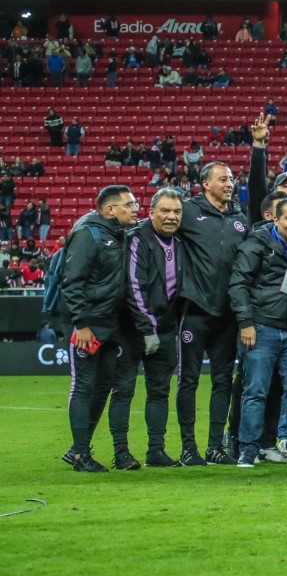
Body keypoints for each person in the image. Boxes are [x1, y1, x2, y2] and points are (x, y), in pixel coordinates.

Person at [177, 121, 267, 467]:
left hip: (228, 314)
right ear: (206, 184)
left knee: (221, 382)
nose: (230, 184)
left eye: (232, 179)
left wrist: (258, 149)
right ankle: (188, 446)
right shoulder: (186, 212)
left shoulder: (239, 219)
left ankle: (215, 446)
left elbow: (260, 194)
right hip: (195, 310)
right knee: (187, 380)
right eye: (224, 179)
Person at [229, 197, 287, 467]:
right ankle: (248, 449)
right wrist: (246, 323)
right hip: (261, 328)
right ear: (274, 220)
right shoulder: (256, 244)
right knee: (255, 391)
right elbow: (238, 284)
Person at [61, 185, 138, 472]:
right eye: (129, 205)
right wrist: (81, 324)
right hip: (90, 326)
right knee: (83, 387)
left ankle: (78, 449)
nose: (134, 210)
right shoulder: (88, 234)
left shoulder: (119, 234)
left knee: (102, 387)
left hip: (111, 325)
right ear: (110, 210)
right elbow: (73, 281)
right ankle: (81, 456)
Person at [122, 188, 186, 468]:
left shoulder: (183, 241)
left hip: (167, 326)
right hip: (132, 328)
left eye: (177, 212)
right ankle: (120, 451)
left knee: (159, 392)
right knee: (123, 390)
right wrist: (146, 327)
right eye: (165, 211)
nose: (171, 217)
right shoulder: (137, 237)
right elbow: (133, 285)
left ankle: (155, 451)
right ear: (151, 213)